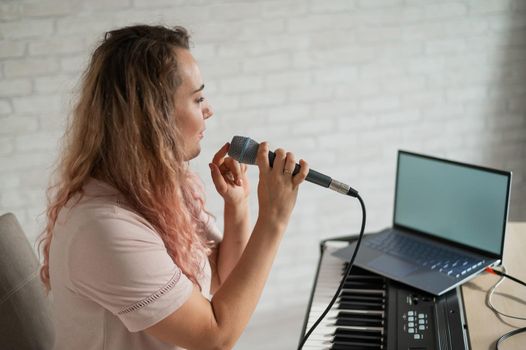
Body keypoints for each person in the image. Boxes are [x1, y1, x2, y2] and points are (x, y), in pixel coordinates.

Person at [37, 24, 309, 350]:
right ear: (154, 116)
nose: (209, 109)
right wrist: (274, 219)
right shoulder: (101, 227)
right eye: (198, 99)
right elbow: (215, 335)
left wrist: (237, 207)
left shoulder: (162, 188)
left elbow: (220, 284)